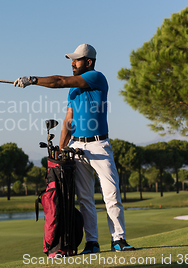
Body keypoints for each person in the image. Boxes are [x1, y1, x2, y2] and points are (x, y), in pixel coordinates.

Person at [14, 43, 135, 254]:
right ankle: (92, 242)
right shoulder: (73, 90)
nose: (72, 63)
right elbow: (69, 121)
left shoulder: (96, 77)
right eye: (72, 60)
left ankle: (118, 239)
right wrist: (61, 148)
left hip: (99, 145)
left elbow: (59, 81)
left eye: (76, 60)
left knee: (111, 194)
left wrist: (32, 80)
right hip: (76, 147)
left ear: (88, 62)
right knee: (85, 198)